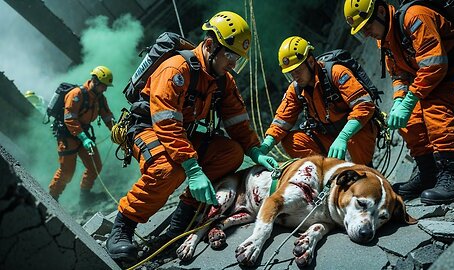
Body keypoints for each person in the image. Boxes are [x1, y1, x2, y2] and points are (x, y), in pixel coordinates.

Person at [106, 11, 278, 263]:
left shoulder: (222, 81)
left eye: (237, 59)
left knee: (231, 153)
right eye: (230, 56)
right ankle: (122, 228)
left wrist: (254, 150)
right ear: (210, 46)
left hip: (180, 134)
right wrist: (192, 167)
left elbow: (236, 119)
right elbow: (165, 122)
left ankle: (180, 223)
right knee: (168, 170)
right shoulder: (176, 69)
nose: (233, 65)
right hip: (147, 129)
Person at [344, 0, 454, 204]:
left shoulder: (415, 17)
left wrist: (411, 99)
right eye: (362, 31)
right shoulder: (385, 38)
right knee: (411, 118)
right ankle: (428, 173)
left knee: (434, 107)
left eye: (368, 27)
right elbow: (398, 75)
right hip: (433, 78)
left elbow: (435, 65)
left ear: (380, 12)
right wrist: (399, 100)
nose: (368, 33)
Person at [258, 36, 378, 166]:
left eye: (298, 71)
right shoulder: (296, 89)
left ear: (310, 61)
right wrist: (265, 146)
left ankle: (365, 170)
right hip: (328, 135)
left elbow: (364, 105)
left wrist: (343, 137)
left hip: (354, 131)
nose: (295, 77)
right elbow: (281, 120)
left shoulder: (336, 72)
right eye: (291, 74)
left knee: (358, 147)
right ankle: (328, 171)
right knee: (291, 141)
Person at [48, 66, 115, 203]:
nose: (105, 89)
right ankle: (51, 199)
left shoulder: (100, 99)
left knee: (95, 166)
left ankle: (85, 196)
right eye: (104, 86)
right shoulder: (76, 94)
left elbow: (107, 116)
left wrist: (116, 131)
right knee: (67, 172)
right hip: (67, 136)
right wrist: (84, 138)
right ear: (95, 82)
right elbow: (69, 118)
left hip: (83, 134)